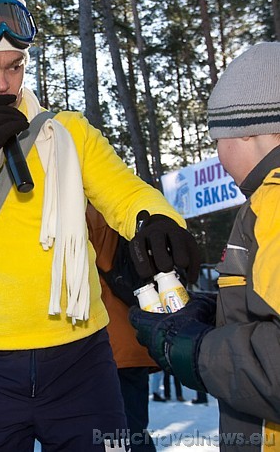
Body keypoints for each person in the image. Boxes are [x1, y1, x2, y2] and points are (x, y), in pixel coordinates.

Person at [0, 0, 200, 449]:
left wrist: (156, 219)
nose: (2, 84)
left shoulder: (67, 132)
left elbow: (126, 193)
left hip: (83, 362)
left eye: (14, 66)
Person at [130, 42, 280, 452]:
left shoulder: (275, 201)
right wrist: (217, 313)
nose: (218, 154)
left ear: (247, 131)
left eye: (217, 140)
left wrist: (192, 349)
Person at [86, 204, 157, 452]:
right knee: (133, 430)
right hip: (130, 336)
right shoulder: (122, 209)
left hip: (104, 344)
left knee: (114, 436)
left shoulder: (88, 209)